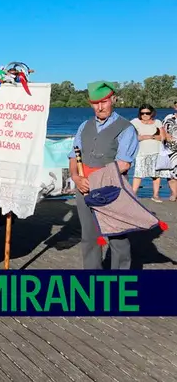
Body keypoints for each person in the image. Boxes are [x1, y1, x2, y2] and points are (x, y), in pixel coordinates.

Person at [68, 81, 138, 270]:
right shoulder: (84, 125)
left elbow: (123, 164)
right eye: (95, 103)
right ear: (90, 103)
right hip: (83, 189)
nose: (100, 107)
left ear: (113, 99)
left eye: (104, 102)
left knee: (118, 239)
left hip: (112, 190)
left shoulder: (126, 128)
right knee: (89, 238)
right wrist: (75, 177)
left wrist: (93, 180)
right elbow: (74, 155)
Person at [131, 104, 165, 202]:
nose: (145, 115)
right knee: (138, 174)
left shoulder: (157, 122)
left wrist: (148, 137)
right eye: (142, 113)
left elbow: (162, 137)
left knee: (156, 175)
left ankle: (155, 195)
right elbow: (132, 136)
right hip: (141, 152)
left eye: (147, 113)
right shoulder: (135, 122)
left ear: (152, 113)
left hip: (156, 152)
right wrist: (144, 137)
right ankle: (133, 195)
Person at [161, 100, 177, 201]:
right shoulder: (168, 117)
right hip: (170, 148)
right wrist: (165, 136)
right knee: (171, 172)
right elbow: (162, 129)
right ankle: (174, 193)